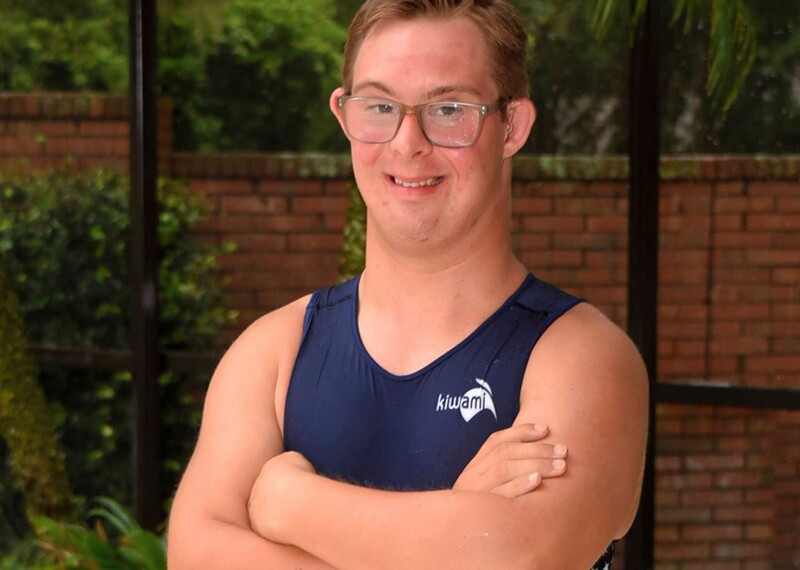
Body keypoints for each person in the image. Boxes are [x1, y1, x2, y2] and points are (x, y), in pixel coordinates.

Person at [167, 0, 649, 568]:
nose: (407, 142)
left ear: (512, 126)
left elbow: (520, 555)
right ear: (344, 116)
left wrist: (289, 504)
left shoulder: (582, 360)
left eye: (448, 109)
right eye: (379, 106)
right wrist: (459, 520)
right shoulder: (273, 352)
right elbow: (197, 554)